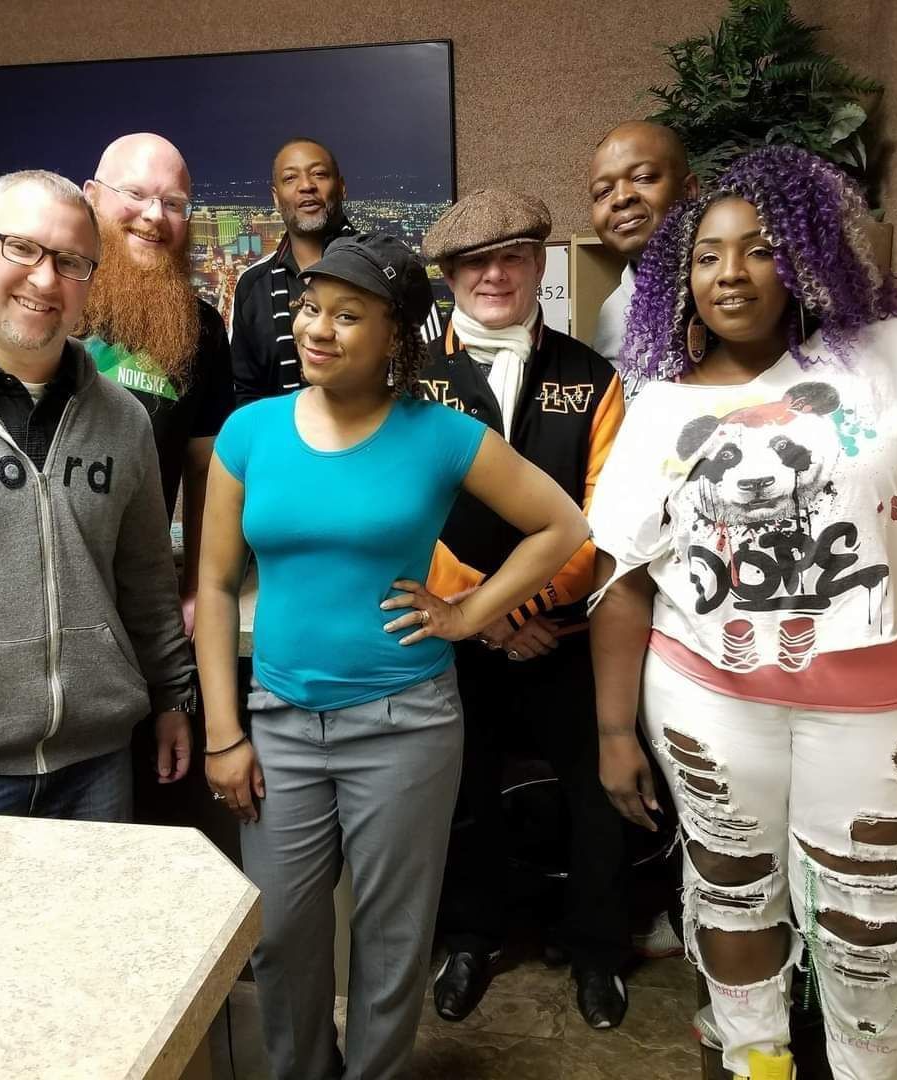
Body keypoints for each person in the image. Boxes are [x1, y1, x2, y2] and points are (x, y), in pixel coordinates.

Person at [587, 144, 897, 1080]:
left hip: (883, 708)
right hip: (708, 704)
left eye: (758, 248)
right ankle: (757, 1063)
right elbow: (624, 577)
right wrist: (612, 731)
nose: (730, 273)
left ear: (802, 255)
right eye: (707, 256)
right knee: (730, 898)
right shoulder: (660, 405)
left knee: (873, 926)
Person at [195, 233, 588, 1080]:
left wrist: (468, 613)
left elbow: (563, 527)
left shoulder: (440, 435)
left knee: (392, 938)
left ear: (396, 337)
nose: (318, 329)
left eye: (348, 314)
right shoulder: (250, 432)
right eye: (310, 308)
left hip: (404, 725)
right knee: (282, 933)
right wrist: (224, 734)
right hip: (279, 727)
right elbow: (217, 586)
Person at [0, 170, 194, 819]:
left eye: (71, 262)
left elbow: (144, 580)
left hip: (97, 763)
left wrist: (172, 697)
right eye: (20, 248)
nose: (46, 279)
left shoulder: (123, 418)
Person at [418, 188, 632, 1030]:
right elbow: (401, 510)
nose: (494, 274)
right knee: (460, 794)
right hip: (450, 634)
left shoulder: (592, 374)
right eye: (475, 262)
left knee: (598, 794)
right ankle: (468, 939)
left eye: (511, 256)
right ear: (449, 277)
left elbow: (604, 513)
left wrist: (530, 606)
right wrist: (488, 614)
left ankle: (597, 951)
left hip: (567, 635)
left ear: (539, 265)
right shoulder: (407, 375)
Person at [0, 133, 235, 640]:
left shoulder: (199, 328)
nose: (154, 215)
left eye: (173, 203)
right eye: (134, 193)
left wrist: (198, 586)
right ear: (91, 196)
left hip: (130, 607)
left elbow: (205, 469)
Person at [228, 138, 357, 406]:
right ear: (276, 198)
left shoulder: (388, 266)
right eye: (290, 178)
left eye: (319, 174)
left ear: (342, 188)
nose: (306, 186)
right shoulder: (253, 285)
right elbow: (245, 392)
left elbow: (425, 368)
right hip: (279, 445)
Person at [589, 120, 698, 400]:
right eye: (603, 191)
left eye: (644, 177)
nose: (622, 197)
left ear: (689, 190)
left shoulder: (733, 284)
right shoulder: (613, 313)